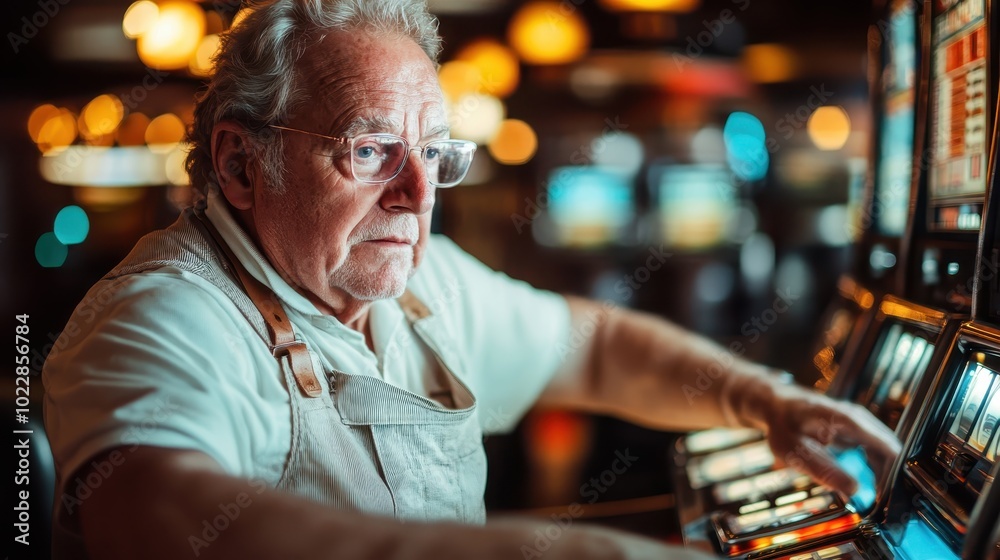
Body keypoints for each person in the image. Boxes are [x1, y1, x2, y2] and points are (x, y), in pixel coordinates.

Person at [41, 1, 900, 558]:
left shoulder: (418, 284)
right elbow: (157, 519)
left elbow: (592, 349)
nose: (418, 196)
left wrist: (766, 402)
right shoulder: (164, 316)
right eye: (370, 151)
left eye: (435, 155)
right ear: (240, 163)